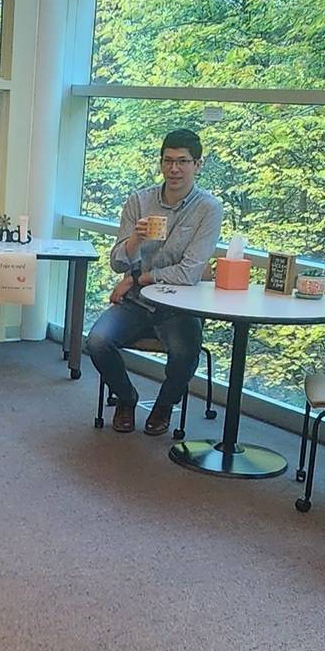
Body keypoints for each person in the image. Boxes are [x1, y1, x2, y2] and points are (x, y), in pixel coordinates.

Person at [84, 128, 224, 436]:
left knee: (186, 354)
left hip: (179, 306)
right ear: (161, 163)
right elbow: (117, 262)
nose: (174, 169)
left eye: (183, 161)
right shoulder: (140, 200)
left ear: (197, 165)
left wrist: (137, 278)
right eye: (168, 161)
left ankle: (164, 406)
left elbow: (188, 273)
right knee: (97, 342)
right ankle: (126, 398)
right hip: (136, 302)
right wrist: (135, 239)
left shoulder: (209, 209)